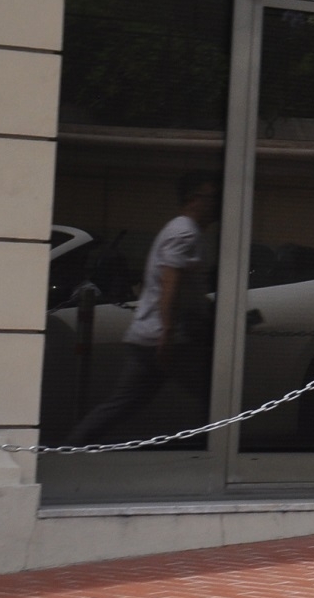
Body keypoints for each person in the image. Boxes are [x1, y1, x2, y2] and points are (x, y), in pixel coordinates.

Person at [70, 173, 219, 445]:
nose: (216, 204)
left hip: (151, 337)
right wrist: (168, 332)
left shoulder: (181, 229)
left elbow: (184, 288)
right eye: (210, 198)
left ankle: (73, 447)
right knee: (218, 398)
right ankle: (218, 451)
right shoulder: (185, 232)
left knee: (122, 404)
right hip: (167, 339)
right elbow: (169, 282)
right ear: (192, 199)